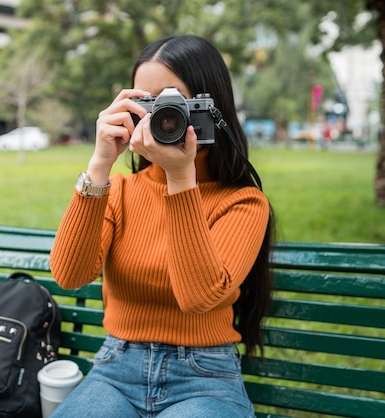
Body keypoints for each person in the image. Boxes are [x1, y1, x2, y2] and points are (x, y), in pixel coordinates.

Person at [49, 34, 275, 418]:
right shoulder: (117, 190)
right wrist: (99, 165)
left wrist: (180, 178)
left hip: (205, 379)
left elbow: (198, 297)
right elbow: (70, 275)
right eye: (146, 103)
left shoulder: (243, 203)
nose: (160, 119)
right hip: (115, 370)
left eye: (173, 104)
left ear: (208, 108)